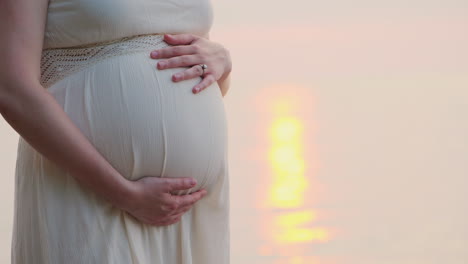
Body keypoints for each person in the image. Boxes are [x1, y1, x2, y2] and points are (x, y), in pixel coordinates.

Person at [0, 0, 232, 263]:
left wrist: (222, 63)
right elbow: (12, 90)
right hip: (90, 195)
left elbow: (197, 67)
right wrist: (124, 194)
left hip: (191, 213)